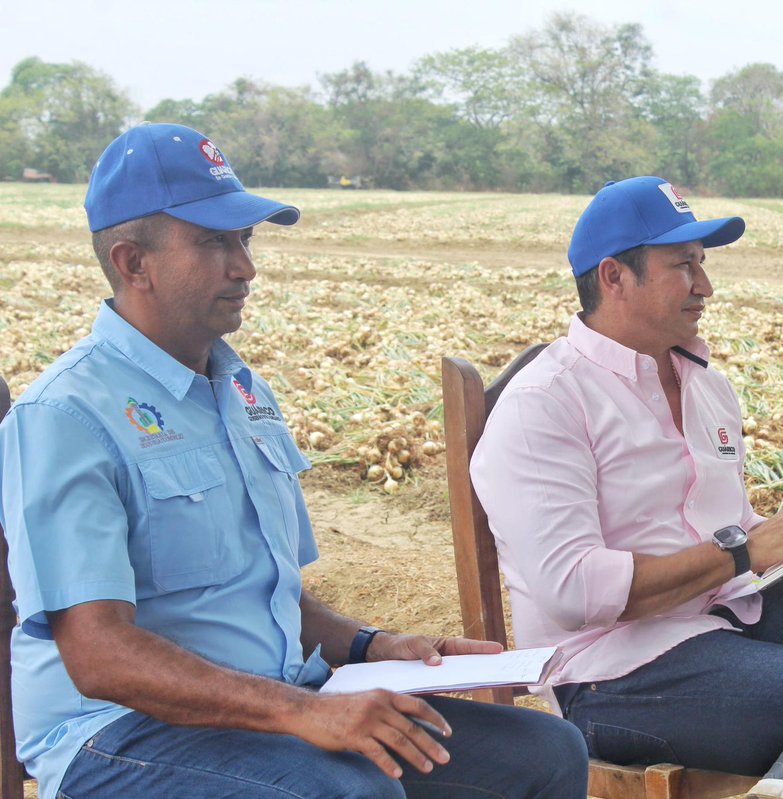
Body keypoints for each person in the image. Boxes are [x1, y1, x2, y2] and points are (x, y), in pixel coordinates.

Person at [0, 123, 588, 799]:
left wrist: (373, 646)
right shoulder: (67, 417)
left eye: (244, 239)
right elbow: (100, 655)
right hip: (119, 733)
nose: (245, 266)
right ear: (135, 263)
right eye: (214, 242)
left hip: (270, 704)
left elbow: (266, 592)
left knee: (544, 752)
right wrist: (308, 713)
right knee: (348, 791)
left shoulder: (241, 391)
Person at [470, 176, 783, 799]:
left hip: (725, 620)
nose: (705, 286)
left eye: (702, 264)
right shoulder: (545, 401)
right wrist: (744, 549)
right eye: (683, 266)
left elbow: (725, 530)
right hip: (614, 674)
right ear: (613, 276)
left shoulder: (707, 386)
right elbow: (571, 591)